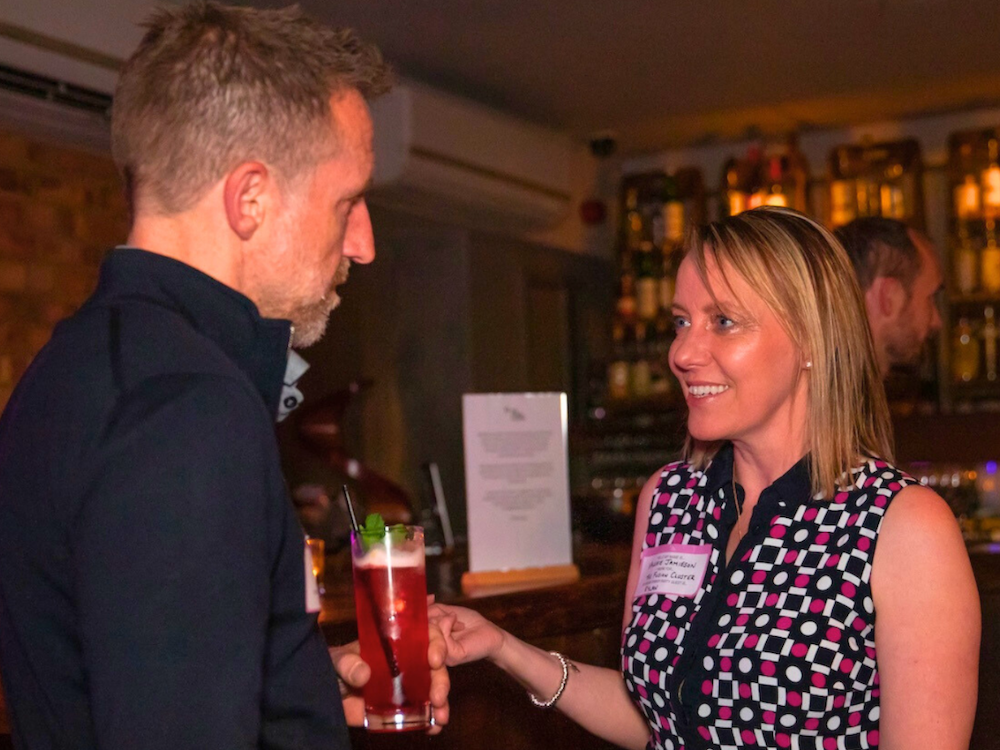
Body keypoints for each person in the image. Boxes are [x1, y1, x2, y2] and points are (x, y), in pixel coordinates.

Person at [0, 3, 448, 748]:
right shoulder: (186, 410)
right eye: (347, 202)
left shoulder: (71, 370)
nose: (362, 244)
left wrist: (289, 688)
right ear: (251, 198)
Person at [431, 207, 979, 749]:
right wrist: (504, 647)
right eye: (681, 322)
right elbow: (655, 713)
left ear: (812, 340)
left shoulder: (900, 526)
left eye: (723, 321)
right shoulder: (670, 497)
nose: (682, 353)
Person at [834, 217, 944, 377]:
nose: (936, 321)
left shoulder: (826, 387)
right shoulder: (840, 398)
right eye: (930, 298)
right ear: (889, 297)